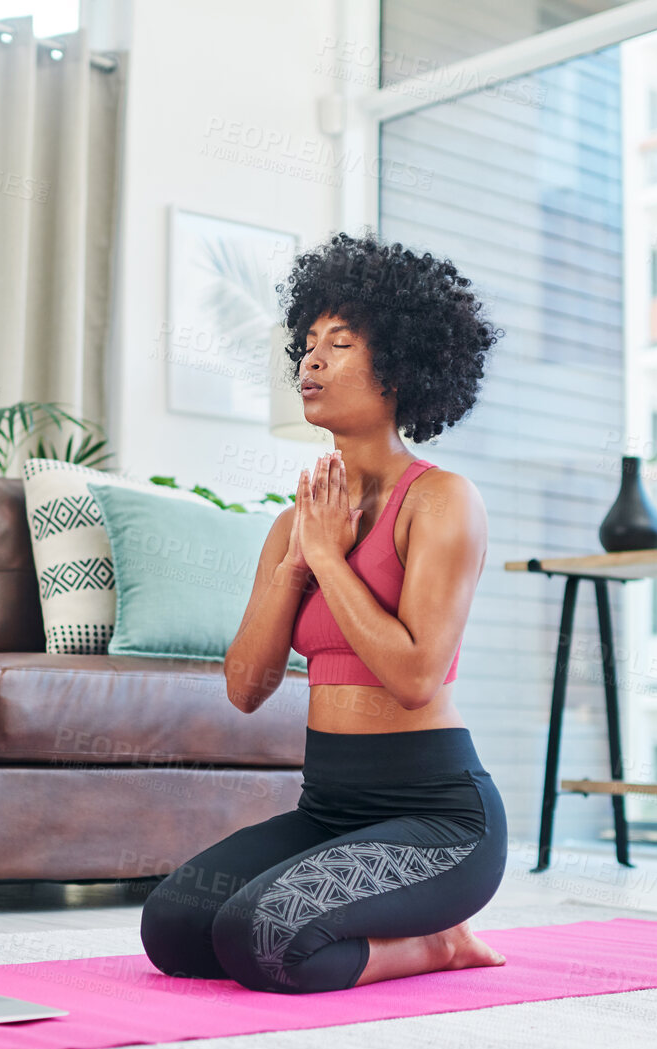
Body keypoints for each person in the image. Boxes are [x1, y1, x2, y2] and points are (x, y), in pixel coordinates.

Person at [139, 229, 508, 994]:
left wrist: (332, 560)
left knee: (263, 940)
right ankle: (407, 928)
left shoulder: (441, 501)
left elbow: (415, 676)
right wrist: (298, 561)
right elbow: (245, 688)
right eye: (307, 344)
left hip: (439, 822)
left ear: (401, 369)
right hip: (331, 809)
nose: (310, 360)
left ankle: (438, 944)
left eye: (338, 345)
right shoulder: (297, 520)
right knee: (173, 927)